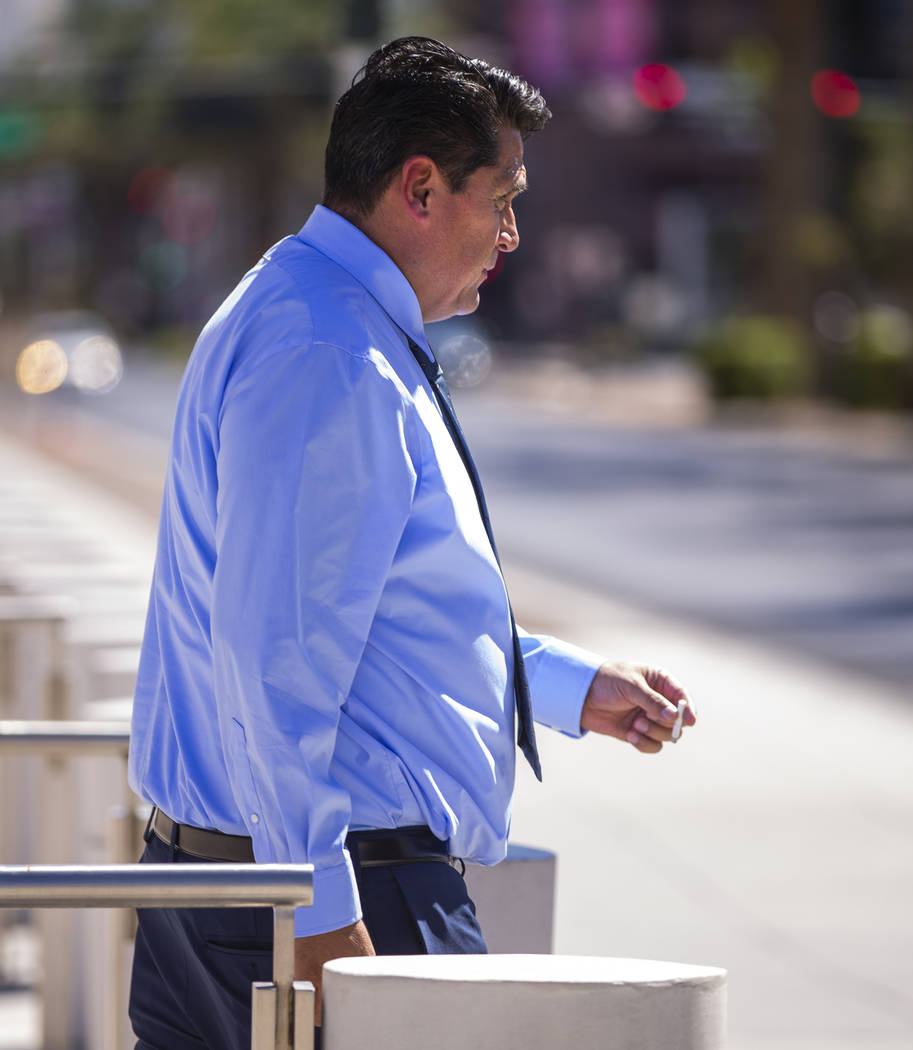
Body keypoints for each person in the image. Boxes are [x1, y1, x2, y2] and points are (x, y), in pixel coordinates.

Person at [127, 35, 695, 1050]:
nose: (514, 233)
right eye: (505, 198)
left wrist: (559, 688)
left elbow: (363, 622)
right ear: (420, 188)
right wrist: (319, 913)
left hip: (237, 883)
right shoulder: (329, 353)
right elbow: (275, 661)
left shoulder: (306, 306)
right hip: (344, 892)